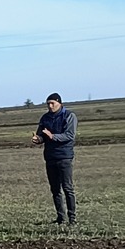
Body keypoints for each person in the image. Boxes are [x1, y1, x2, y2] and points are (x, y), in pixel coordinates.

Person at [34, 93, 76, 225]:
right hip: (50, 157)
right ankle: (61, 218)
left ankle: (72, 218)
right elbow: (42, 135)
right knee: (55, 189)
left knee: (67, 188)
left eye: (52, 103)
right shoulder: (45, 118)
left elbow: (69, 135)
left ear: (60, 103)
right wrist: (38, 139)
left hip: (64, 156)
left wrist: (53, 137)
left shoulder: (69, 116)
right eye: (48, 104)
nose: (50, 106)